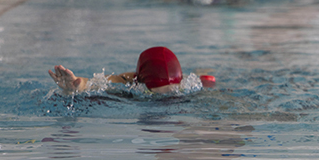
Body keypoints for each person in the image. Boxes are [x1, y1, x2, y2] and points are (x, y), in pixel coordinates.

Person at [48, 46, 212, 95]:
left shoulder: (191, 85)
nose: (170, 96)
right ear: (143, 83)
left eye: (174, 90)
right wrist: (78, 86)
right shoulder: (127, 83)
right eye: (159, 92)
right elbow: (98, 82)